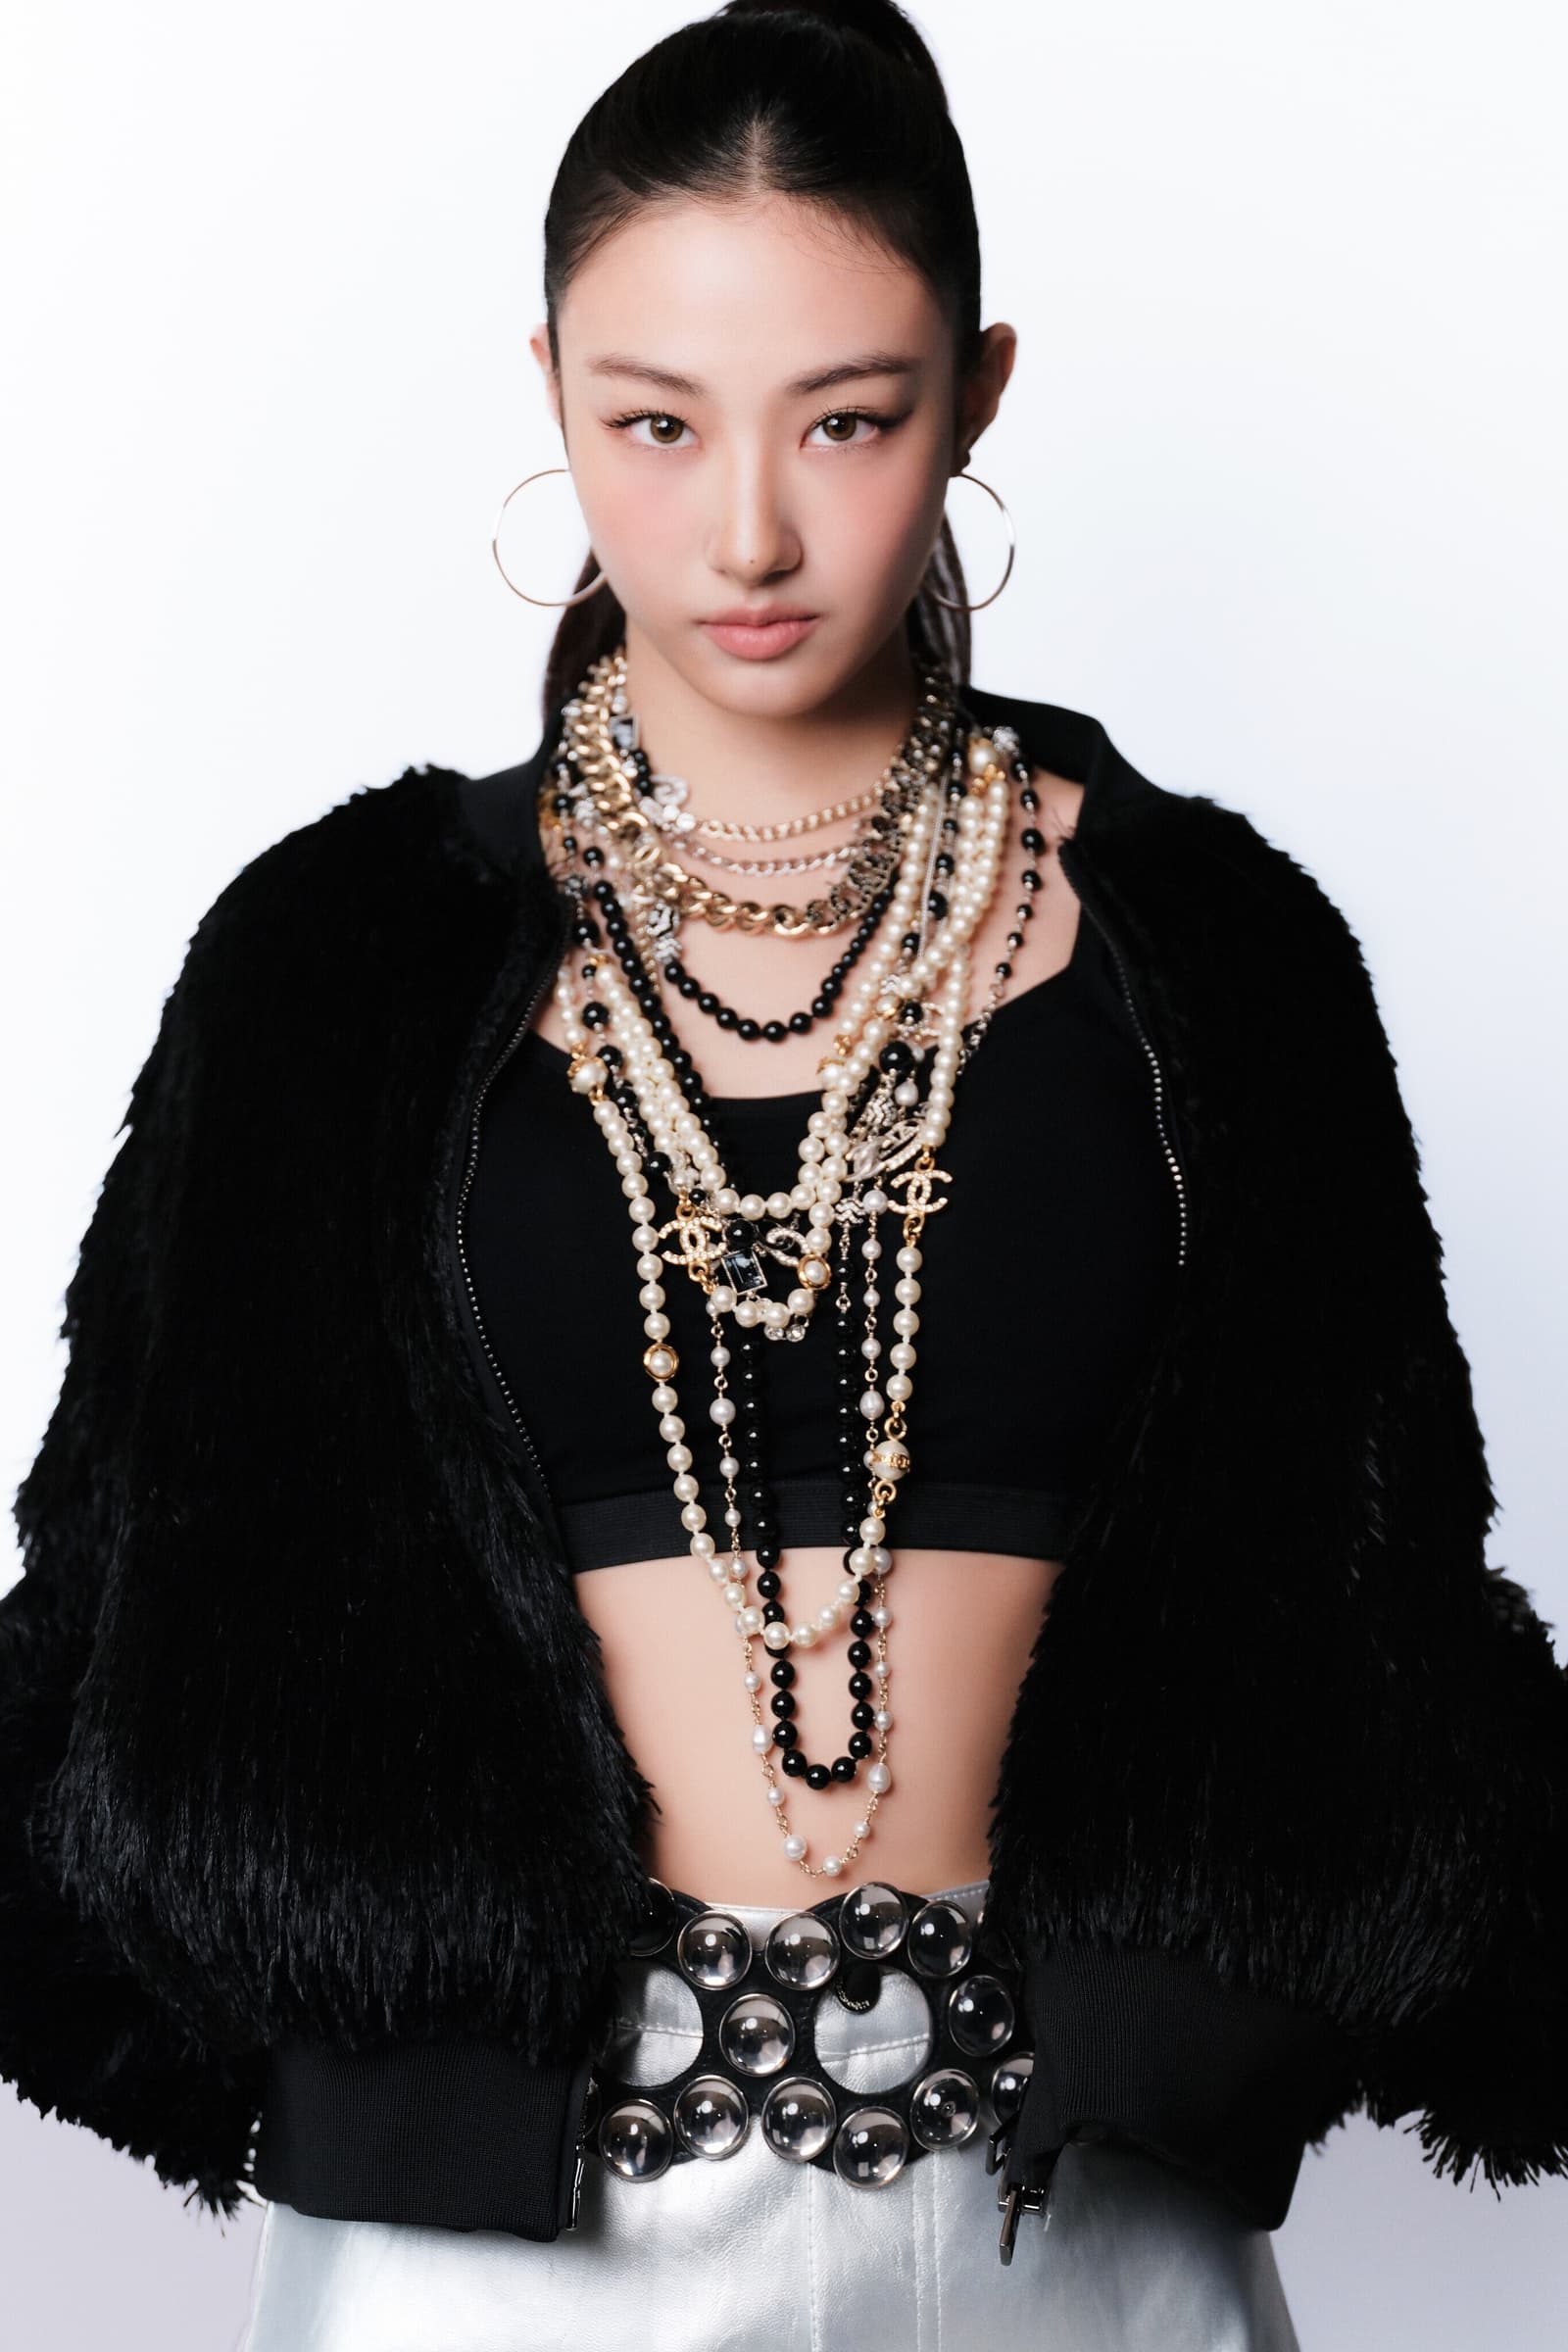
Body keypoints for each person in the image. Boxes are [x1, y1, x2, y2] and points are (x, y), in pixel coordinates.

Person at [3, 7, 1563, 2350]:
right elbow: (131, 1577)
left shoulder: (1212, 961)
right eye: (655, 422)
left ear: (976, 393)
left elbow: (1377, 1578)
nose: (744, 530)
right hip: (484, 2252)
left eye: (846, 418)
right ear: (549, 390)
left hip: (1076, 2228)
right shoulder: (333, 963)